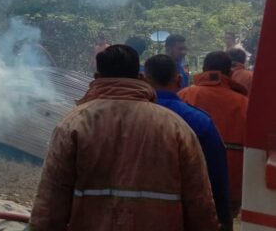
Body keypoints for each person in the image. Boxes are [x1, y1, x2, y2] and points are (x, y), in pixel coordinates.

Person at [30, 45, 217, 230]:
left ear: (96, 78)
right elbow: (199, 201)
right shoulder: (175, 126)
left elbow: (51, 201)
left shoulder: (74, 124)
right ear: (140, 77)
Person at [145, 55, 232, 230]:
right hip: (182, 216)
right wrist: (223, 218)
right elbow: (216, 175)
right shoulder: (199, 121)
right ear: (178, 80)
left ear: (144, 80)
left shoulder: (124, 118)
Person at [179, 51, 248, 216]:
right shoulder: (244, 103)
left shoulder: (185, 95)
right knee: (225, 219)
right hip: (231, 182)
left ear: (203, 70)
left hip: (191, 179)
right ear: (230, 73)